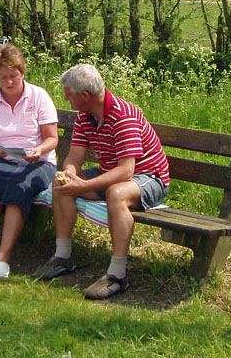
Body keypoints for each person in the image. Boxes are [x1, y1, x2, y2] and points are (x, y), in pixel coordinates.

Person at [33, 63, 170, 300]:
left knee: (115, 194)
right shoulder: (85, 116)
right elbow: (74, 157)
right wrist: (70, 174)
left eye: (67, 94)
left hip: (149, 177)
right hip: (112, 172)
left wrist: (85, 186)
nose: (65, 99)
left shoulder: (122, 115)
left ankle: (117, 275)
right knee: (60, 183)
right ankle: (63, 257)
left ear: (84, 96)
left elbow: (127, 171)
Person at [0, 43, 58, 279]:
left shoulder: (39, 96)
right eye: (4, 77)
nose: (9, 82)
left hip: (39, 162)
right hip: (5, 158)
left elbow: (52, 139)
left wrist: (38, 150)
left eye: (14, 76)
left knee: (20, 186)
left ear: (22, 73)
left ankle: (4, 257)